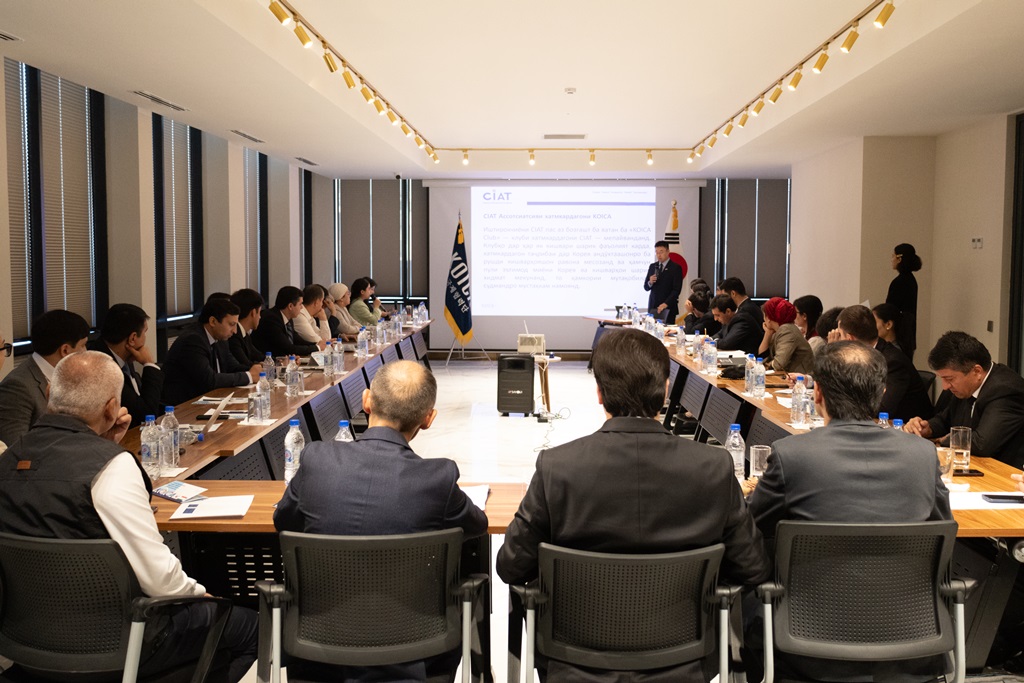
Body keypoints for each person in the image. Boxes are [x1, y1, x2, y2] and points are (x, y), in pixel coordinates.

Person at [497, 328, 769, 682]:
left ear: (599, 393)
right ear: (667, 390)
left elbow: (511, 566)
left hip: (573, 661)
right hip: (684, 662)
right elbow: (753, 566)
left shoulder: (558, 467)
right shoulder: (713, 468)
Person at [0, 352, 258, 681]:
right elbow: (160, 580)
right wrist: (201, 595)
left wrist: (104, 441)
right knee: (252, 629)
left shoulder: (8, 458)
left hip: (26, 642)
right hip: (118, 643)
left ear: (50, 393)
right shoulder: (110, 467)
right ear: (112, 408)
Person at [747, 341, 951, 682]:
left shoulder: (790, 454)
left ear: (817, 393)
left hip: (806, 643)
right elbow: (943, 533)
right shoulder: (923, 455)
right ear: (882, 393)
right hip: (910, 641)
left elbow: (752, 527)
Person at [275, 359, 487, 681]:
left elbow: (283, 520)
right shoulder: (437, 479)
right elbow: (477, 525)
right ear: (428, 420)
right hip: (416, 648)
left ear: (366, 401)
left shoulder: (317, 460)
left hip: (316, 647)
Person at [904, 331, 1024, 468]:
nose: (945, 386)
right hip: (974, 467)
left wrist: (944, 440)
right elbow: (945, 420)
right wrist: (926, 428)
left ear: (977, 372)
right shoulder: (965, 387)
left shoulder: (1005, 390)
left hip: (1004, 474)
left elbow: (982, 444)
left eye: (949, 379)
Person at [0, 309, 90, 446]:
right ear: (65, 350)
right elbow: (15, 448)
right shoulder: (17, 386)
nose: (86, 351)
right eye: (83, 345)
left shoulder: (70, 377)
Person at [833, 305, 933, 422]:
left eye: (840, 335)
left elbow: (883, 409)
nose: (838, 340)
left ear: (849, 338)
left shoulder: (893, 362)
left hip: (909, 428)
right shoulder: (862, 356)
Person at [161, 298, 261, 406]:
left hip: (207, 401)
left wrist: (259, 369)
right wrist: (249, 376)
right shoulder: (193, 340)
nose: (235, 331)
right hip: (183, 406)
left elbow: (233, 367)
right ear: (213, 321)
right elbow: (209, 380)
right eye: (231, 324)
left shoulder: (220, 339)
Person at [88, 304, 164, 428]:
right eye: (145, 332)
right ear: (132, 338)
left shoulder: (123, 354)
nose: (145, 339)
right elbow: (146, 414)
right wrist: (149, 364)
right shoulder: (102, 367)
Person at [251, 286, 323, 357]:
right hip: (264, 361)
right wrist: (317, 348)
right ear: (290, 306)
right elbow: (288, 348)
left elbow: (297, 340)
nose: (302, 307)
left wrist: (317, 344)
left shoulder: (288, 318)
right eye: (300, 304)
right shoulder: (271, 319)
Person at [758, 297, 815, 375]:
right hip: (789, 376)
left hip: (800, 378)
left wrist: (764, 366)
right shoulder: (778, 330)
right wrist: (768, 333)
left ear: (768, 318)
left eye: (764, 316)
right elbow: (761, 358)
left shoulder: (787, 330)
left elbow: (778, 364)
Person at [886, 243, 922, 361]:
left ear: (899, 259)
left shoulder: (899, 282)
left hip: (899, 332)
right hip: (908, 332)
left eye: (893, 256)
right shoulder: (911, 280)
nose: (891, 259)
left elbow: (890, 309)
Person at [643, 241, 684, 322]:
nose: (659, 255)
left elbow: (676, 290)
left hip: (668, 308)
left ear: (668, 251)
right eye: (657, 252)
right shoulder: (652, 266)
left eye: (661, 252)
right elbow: (646, 287)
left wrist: (665, 304)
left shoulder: (675, 268)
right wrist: (650, 282)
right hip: (653, 307)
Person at [227, 288, 265, 366]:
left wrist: (279, 360)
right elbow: (245, 364)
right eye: (259, 312)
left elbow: (258, 356)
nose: (260, 317)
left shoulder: (244, 333)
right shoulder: (234, 335)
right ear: (253, 312)